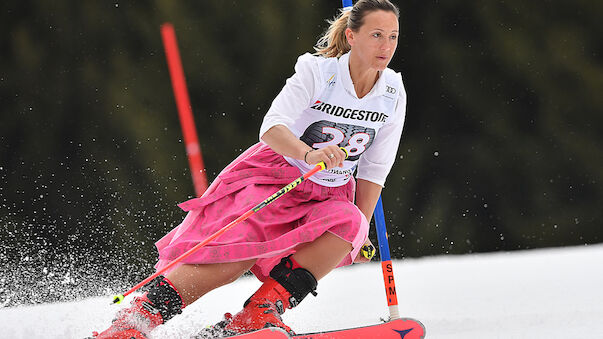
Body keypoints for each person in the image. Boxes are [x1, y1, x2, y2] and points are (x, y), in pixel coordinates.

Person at [93, 0, 405, 338]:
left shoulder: (392, 91)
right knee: (231, 259)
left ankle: (258, 314)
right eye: (376, 35)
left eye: (393, 36)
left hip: (329, 192)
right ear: (352, 35)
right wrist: (308, 154)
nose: (386, 46)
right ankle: (137, 319)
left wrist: (359, 235)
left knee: (349, 224)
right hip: (278, 176)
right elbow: (272, 128)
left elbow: (375, 167)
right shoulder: (318, 72)